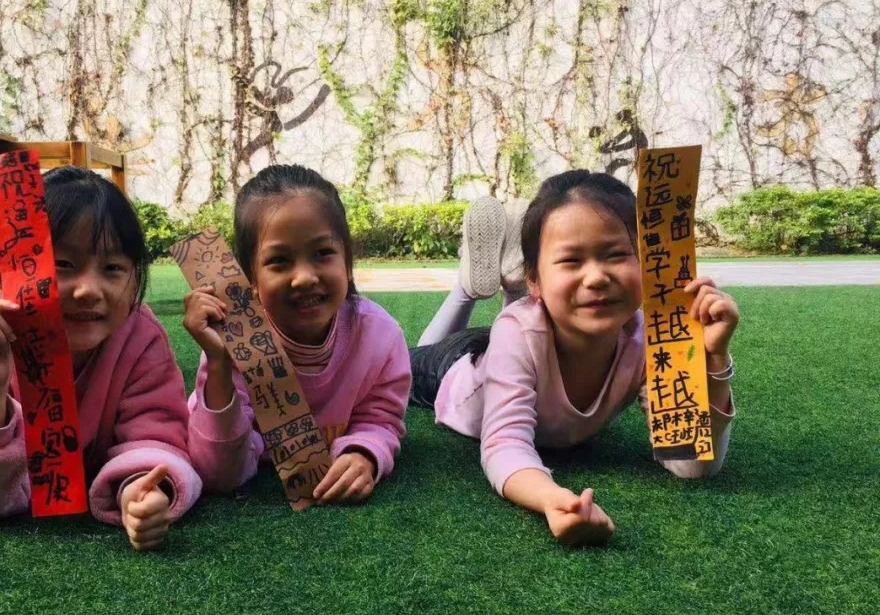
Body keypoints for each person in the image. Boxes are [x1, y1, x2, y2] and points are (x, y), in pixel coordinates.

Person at [410, 171, 739, 546]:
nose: (597, 277)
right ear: (536, 280)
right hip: (453, 375)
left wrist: (711, 361)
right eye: (571, 260)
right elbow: (504, 445)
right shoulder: (516, 332)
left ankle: (512, 287)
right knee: (407, 363)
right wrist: (550, 497)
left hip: (525, 336)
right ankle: (467, 289)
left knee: (521, 329)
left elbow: (693, 464)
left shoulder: (653, 339)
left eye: (616, 255)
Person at [0, 167, 200, 551]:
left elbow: (156, 432)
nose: (89, 290)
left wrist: (141, 486)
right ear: (6, 276)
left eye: (113, 268)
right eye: (62, 265)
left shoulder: (140, 336)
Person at [183, 165, 411, 504]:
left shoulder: (381, 337)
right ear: (250, 279)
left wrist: (365, 451)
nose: (304, 277)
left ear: (347, 262)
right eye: (279, 260)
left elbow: (380, 419)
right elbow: (218, 474)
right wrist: (218, 364)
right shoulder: (233, 342)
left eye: (323, 253)